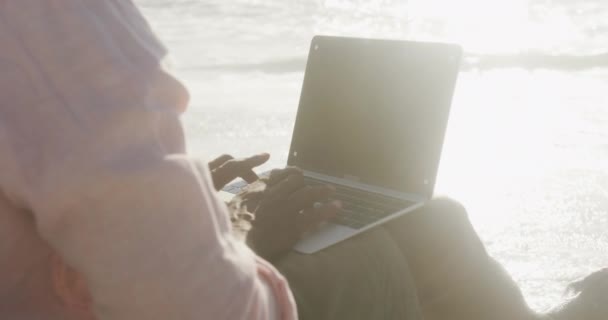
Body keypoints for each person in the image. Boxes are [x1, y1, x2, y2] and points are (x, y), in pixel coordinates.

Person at [1, 1, 605, 320]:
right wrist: (252, 247)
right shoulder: (48, 19)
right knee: (421, 228)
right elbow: (197, 307)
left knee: (403, 217)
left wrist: (185, 208)